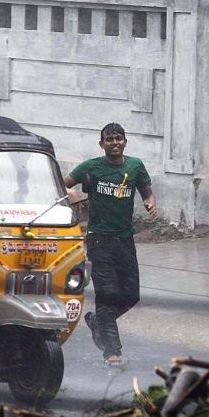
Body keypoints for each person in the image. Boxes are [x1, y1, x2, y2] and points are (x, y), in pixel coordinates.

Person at [64, 123, 156, 367]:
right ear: (101, 144)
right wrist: (71, 195)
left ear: (125, 141)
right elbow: (62, 184)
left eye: (118, 138)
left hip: (125, 239)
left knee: (131, 295)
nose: (114, 143)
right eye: (109, 139)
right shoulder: (91, 167)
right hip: (98, 239)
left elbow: (147, 191)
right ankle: (112, 352)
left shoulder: (135, 166)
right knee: (107, 295)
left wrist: (149, 203)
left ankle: (97, 321)